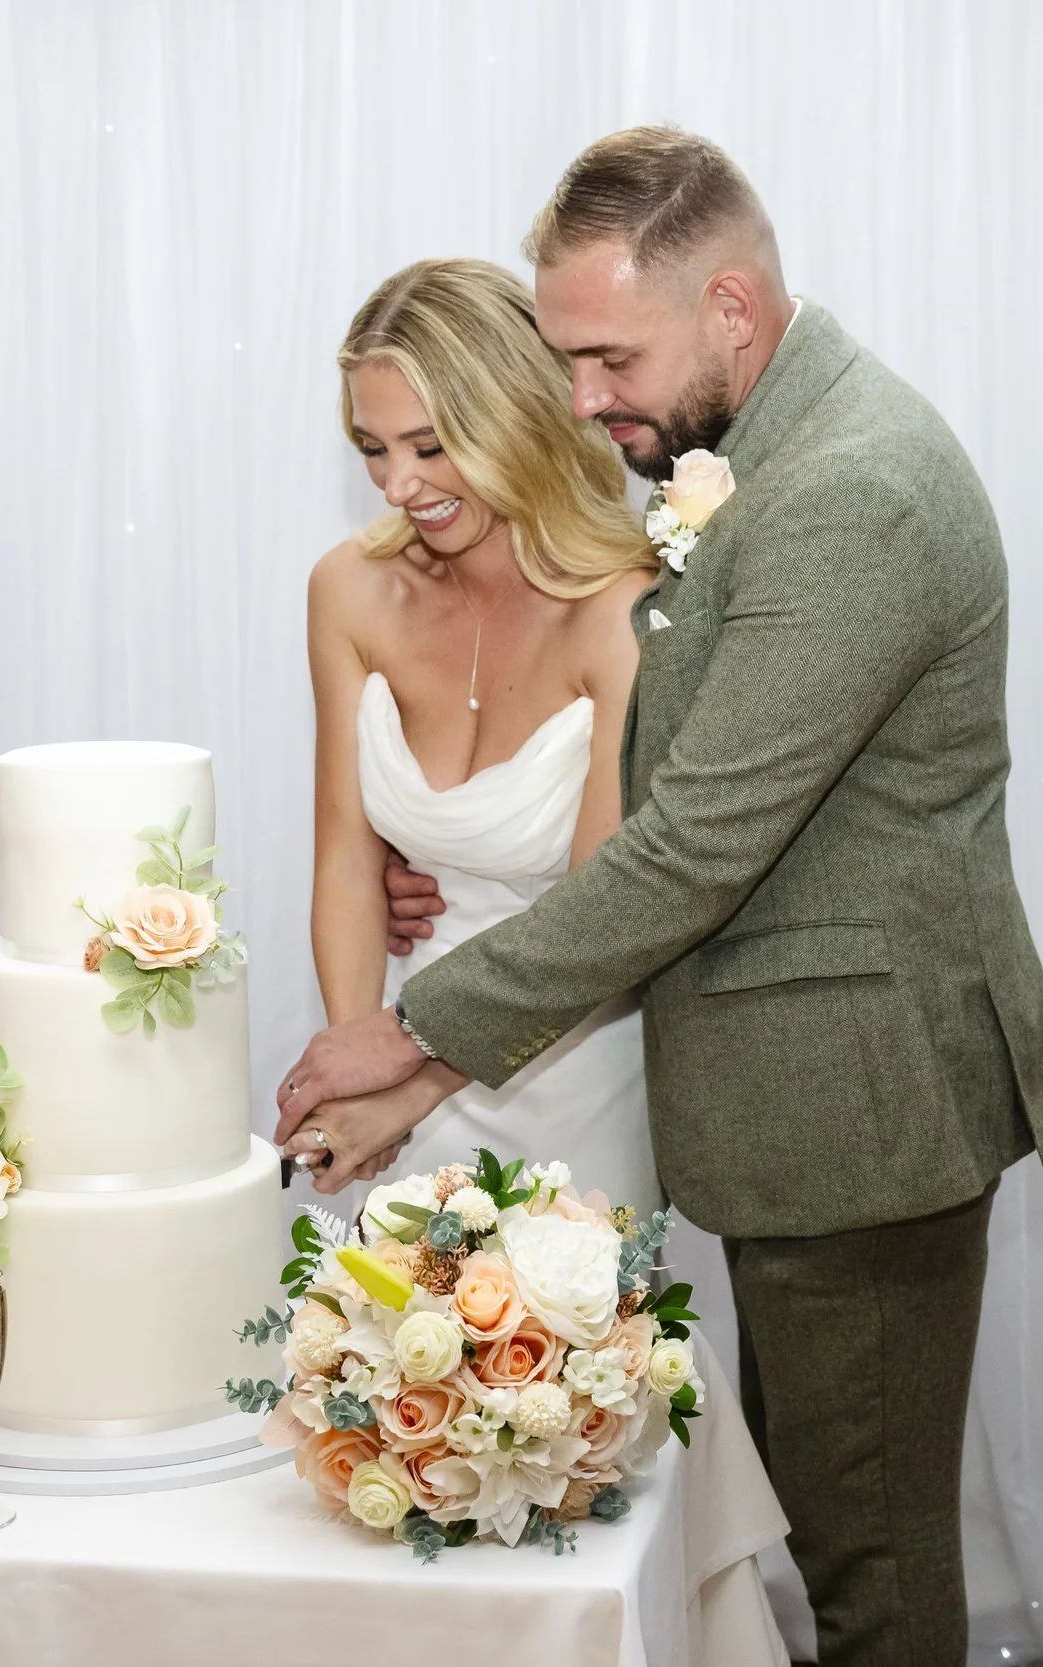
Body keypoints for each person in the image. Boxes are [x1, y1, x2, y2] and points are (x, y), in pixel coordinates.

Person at [276, 128, 1043, 1667]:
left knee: (874, 1578)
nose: (583, 395)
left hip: (862, 1109)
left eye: (604, 355)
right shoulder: (753, 458)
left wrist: (412, 1038)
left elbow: (695, 843)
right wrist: (417, 853)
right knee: (837, 1541)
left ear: (731, 306)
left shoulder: (853, 492)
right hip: (789, 1106)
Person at [302, 256, 660, 1207]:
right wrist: (356, 1063)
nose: (396, 485)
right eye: (372, 448)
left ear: (515, 418)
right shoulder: (348, 591)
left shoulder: (622, 613)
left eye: (428, 444)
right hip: (399, 1048)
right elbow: (344, 857)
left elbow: (597, 922)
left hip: (572, 1064)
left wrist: (408, 1082)